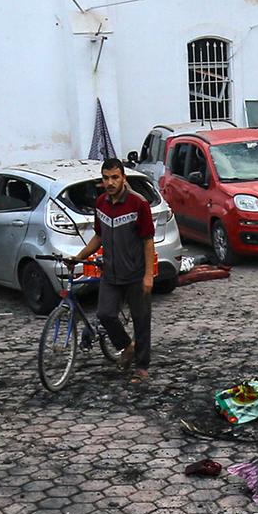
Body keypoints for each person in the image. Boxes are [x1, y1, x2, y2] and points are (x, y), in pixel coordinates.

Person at [72, 156, 157, 377]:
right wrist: (79, 256)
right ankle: (127, 347)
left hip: (136, 274)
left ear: (123, 178)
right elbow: (99, 236)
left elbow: (148, 240)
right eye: (106, 178)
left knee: (141, 320)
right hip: (110, 273)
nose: (110, 182)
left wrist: (148, 275)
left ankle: (141, 367)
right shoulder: (100, 203)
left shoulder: (139, 204)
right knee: (105, 314)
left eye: (114, 178)